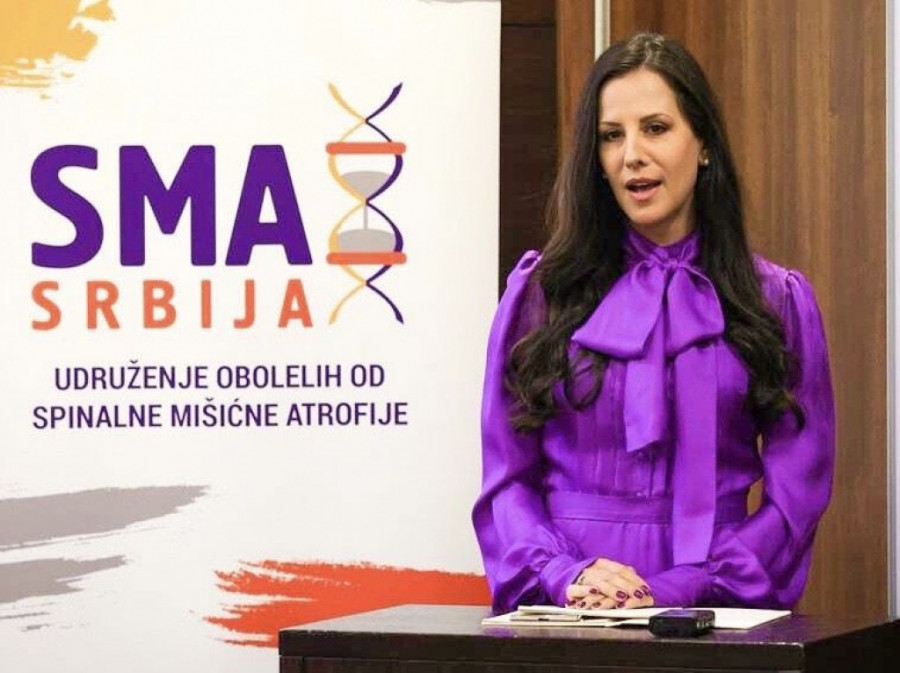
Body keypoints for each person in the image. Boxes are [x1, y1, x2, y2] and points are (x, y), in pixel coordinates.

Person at [472, 32, 835, 614]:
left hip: (712, 610)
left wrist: (692, 585)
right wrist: (564, 573)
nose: (631, 155)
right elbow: (506, 481)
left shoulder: (775, 300)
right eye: (611, 136)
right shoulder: (540, 296)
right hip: (570, 613)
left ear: (704, 143)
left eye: (656, 128)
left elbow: (799, 494)